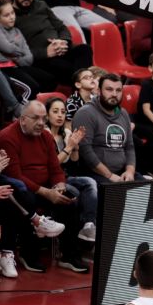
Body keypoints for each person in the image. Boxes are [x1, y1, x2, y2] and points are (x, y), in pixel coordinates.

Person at [0, 100, 87, 275]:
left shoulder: (46, 136)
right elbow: (15, 176)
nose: (41, 123)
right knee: (25, 197)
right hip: (19, 190)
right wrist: (47, 193)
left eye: (44, 119)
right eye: (36, 118)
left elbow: (55, 169)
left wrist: (59, 186)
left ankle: (69, 255)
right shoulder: (7, 138)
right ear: (22, 119)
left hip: (46, 187)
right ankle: (28, 255)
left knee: (71, 198)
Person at [12, 0, 93, 87]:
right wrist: (45, 52)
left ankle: (81, 87)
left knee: (85, 49)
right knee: (64, 67)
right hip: (42, 57)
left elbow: (61, 27)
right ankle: (83, 88)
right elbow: (17, 51)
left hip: (61, 48)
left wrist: (63, 41)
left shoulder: (41, 5)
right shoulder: (10, 16)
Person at [73, 73, 143, 184]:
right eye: (109, 89)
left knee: (147, 189)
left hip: (121, 172)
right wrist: (109, 175)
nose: (114, 94)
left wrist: (130, 172)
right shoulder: (86, 113)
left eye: (118, 90)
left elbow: (129, 147)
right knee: (117, 192)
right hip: (95, 173)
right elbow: (85, 150)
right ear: (98, 91)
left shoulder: (123, 113)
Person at [46, 97, 97, 242]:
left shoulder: (66, 133)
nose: (60, 115)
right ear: (47, 115)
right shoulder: (44, 134)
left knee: (90, 182)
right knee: (75, 194)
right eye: (55, 111)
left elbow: (74, 162)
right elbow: (52, 165)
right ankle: (70, 242)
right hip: (49, 179)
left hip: (65, 175)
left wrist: (75, 148)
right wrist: (69, 147)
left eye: (63, 112)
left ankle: (89, 225)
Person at [0, 0, 57, 99]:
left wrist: (16, 57)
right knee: (32, 88)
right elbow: (8, 48)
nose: (12, 17)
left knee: (50, 79)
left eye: (12, 13)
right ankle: (23, 108)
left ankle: (39, 104)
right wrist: (19, 52)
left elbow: (29, 57)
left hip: (17, 66)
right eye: (6, 15)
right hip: (3, 69)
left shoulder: (17, 31)